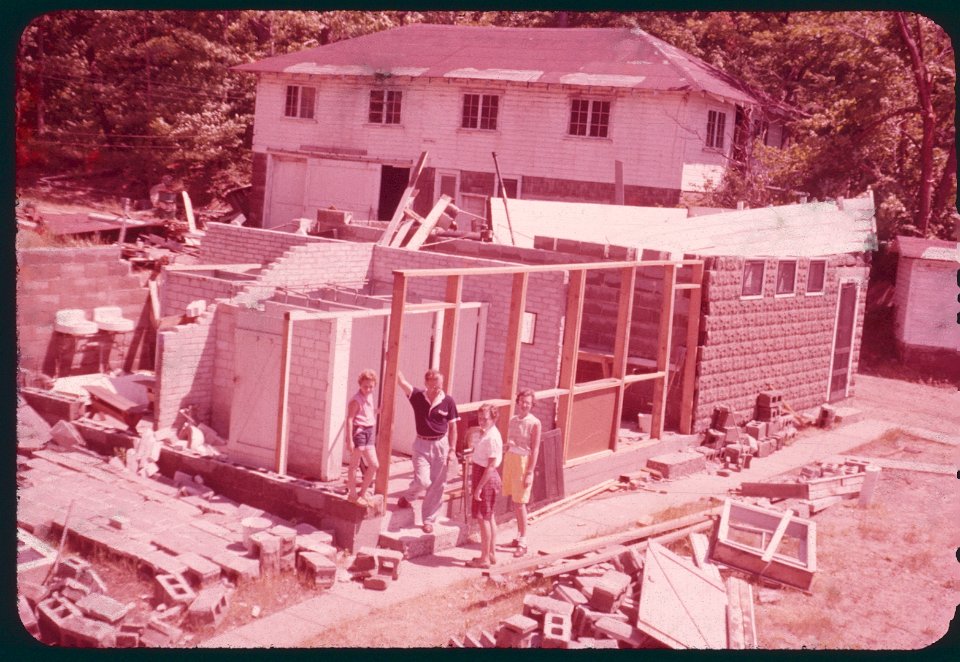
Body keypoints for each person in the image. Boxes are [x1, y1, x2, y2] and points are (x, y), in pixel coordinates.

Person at [396, 369, 459, 533]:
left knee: (437, 485)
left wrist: (452, 450)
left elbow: (453, 427)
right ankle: (408, 496)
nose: (436, 390)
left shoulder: (448, 401)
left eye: (438, 387)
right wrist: (391, 360)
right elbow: (401, 381)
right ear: (426, 384)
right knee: (423, 481)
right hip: (421, 444)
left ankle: (429, 519)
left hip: (441, 445)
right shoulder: (417, 396)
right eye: (432, 387)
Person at [502, 388, 542, 557]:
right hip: (511, 459)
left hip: (523, 463)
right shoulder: (513, 419)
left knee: (520, 503)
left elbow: (535, 448)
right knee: (515, 501)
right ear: (518, 402)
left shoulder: (534, 423)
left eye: (528, 402)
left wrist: (530, 472)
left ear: (532, 405)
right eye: (522, 401)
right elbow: (510, 442)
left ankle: (524, 541)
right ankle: (518, 537)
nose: (524, 405)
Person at [466, 403, 503, 568]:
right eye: (480, 418)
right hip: (481, 475)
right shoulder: (486, 432)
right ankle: (491, 553)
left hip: (486, 478)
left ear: (494, 418)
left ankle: (484, 559)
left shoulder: (492, 437)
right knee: (489, 517)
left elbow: (491, 467)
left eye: (485, 419)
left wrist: (479, 488)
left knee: (483, 519)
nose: (481, 421)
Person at [345, 369, 379, 507]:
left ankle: (363, 493)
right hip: (359, 432)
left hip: (369, 431)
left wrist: (377, 411)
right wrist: (350, 440)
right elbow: (350, 419)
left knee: (374, 464)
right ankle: (352, 495)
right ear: (360, 385)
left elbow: (367, 413)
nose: (368, 389)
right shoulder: (356, 400)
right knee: (354, 465)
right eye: (365, 386)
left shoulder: (370, 396)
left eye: (371, 386)